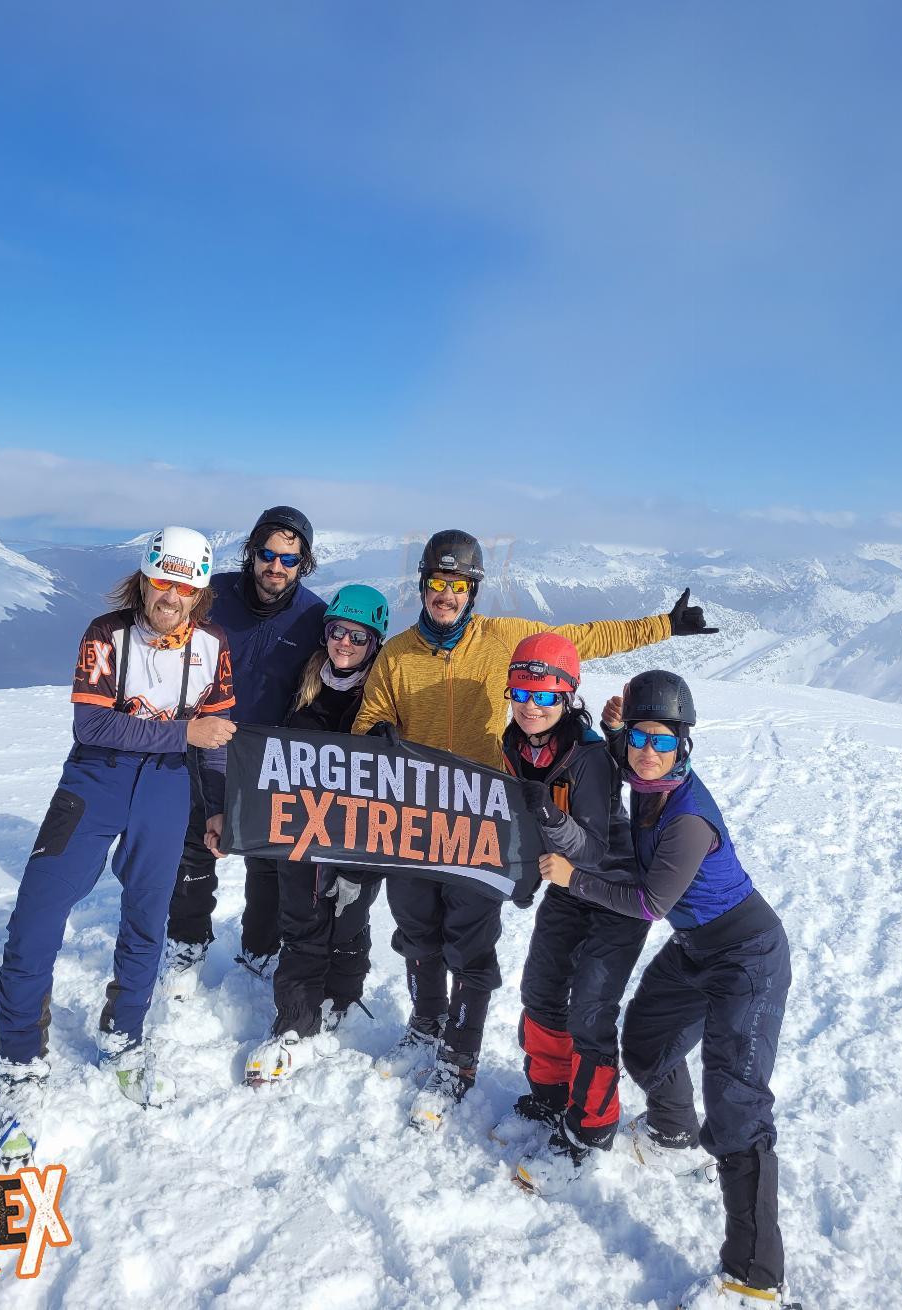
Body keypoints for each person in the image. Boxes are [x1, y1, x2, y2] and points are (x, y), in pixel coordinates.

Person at [353, 528, 717, 1130]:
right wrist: (374, 736)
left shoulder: (505, 641)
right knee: (417, 928)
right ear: (422, 585)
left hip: (483, 819)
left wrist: (662, 626)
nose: (445, 595)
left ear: (472, 590)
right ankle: (424, 1022)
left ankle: (461, 1057)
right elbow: (372, 711)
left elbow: (584, 641)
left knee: (470, 937)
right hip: (412, 817)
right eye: (437, 583)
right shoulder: (396, 654)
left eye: (457, 585)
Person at [539, 670, 794, 1310]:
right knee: (647, 1043)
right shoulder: (645, 775)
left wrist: (573, 880)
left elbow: (650, 903)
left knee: (736, 1103)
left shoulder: (686, 818)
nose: (647, 751)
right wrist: (613, 725)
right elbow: (627, 748)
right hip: (695, 949)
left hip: (747, 957)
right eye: (640, 740)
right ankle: (675, 1133)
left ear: (686, 747)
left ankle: (754, 1276)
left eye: (663, 741)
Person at [0, 527, 236, 1168]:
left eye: (185, 585)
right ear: (144, 578)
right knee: (36, 918)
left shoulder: (213, 648)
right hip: (94, 778)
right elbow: (92, 721)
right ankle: (18, 1065)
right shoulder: (107, 633)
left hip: (166, 788)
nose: (171, 596)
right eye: (162, 580)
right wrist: (186, 732)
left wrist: (215, 813)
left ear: (200, 591)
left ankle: (124, 1034)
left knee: (147, 918)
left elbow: (216, 744)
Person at [204, 585, 390, 1084]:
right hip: (301, 831)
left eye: (357, 635)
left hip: (359, 835)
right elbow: (267, 756)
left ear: (376, 641)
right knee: (303, 923)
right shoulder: (307, 681)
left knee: (350, 921)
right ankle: (296, 1024)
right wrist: (240, 816)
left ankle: (344, 997)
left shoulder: (384, 695)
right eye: (336, 631)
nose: (344, 643)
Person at [485, 634, 652, 1191]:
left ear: (567, 697)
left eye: (546, 695)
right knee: (541, 990)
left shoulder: (586, 756)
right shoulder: (517, 742)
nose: (531, 705)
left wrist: (543, 816)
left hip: (617, 895)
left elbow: (597, 848)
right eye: (522, 691)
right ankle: (550, 1096)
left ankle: (592, 1128)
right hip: (565, 887)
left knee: (590, 1011)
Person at [162, 505, 325, 997]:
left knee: (268, 860)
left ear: (304, 564)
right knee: (192, 847)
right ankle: (187, 940)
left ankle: (260, 946)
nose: (276, 567)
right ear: (252, 553)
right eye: (267, 554)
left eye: (289, 560)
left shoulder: (315, 616)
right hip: (204, 737)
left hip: (268, 753)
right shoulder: (214, 595)